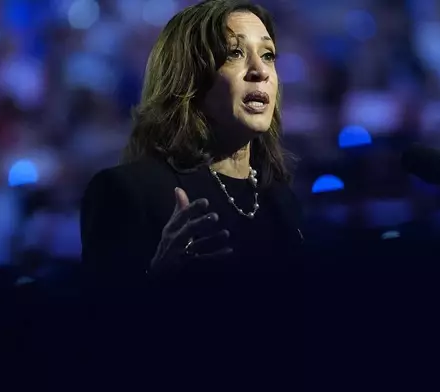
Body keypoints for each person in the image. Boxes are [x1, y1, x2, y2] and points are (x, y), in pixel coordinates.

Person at [80, 0, 303, 388]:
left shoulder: (279, 198)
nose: (259, 71)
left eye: (267, 55)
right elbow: (97, 347)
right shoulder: (127, 191)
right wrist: (158, 279)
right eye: (234, 54)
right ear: (189, 79)